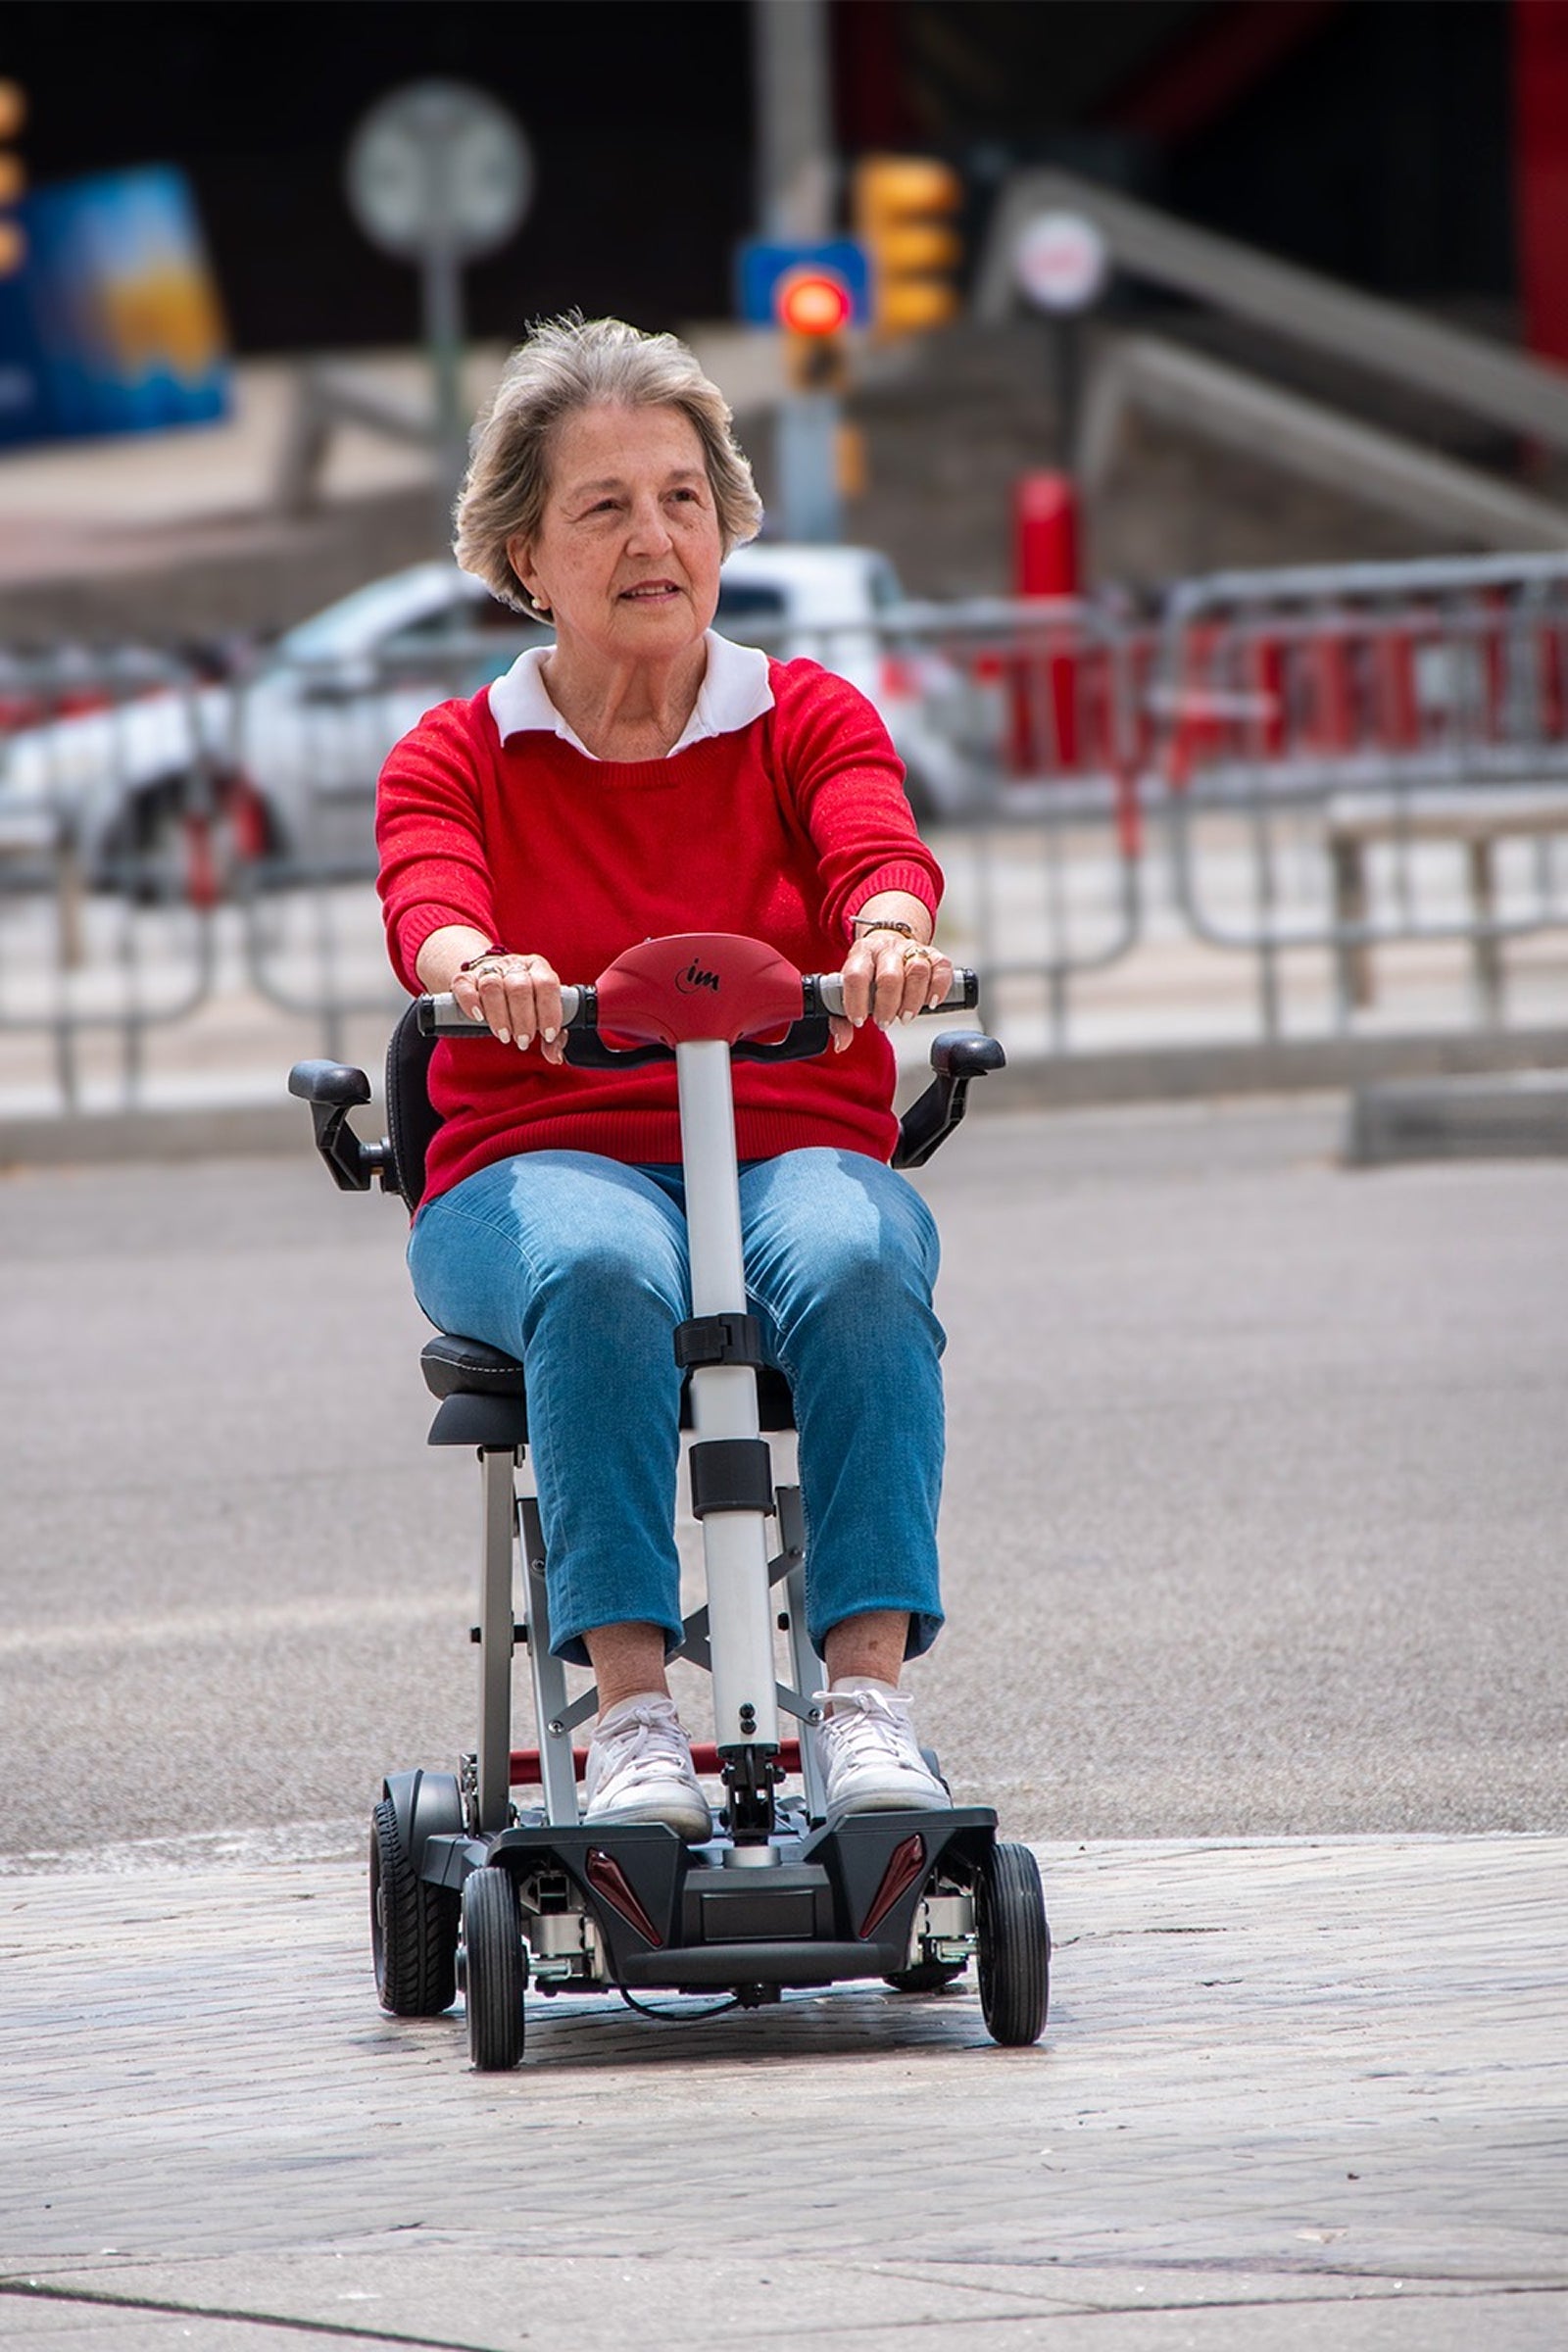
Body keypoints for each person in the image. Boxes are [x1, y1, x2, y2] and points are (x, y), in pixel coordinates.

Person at [377, 314, 956, 1843]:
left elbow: (877, 850)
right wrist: (472, 971)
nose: (655, 537)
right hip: (531, 1163)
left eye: (682, 499)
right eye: (605, 507)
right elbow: (425, 900)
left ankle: (867, 1708)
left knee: (857, 1253)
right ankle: (629, 1717)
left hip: (782, 1152)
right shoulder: (456, 753)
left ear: (725, 522)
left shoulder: (805, 718)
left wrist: (892, 932)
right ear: (522, 552)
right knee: (604, 1263)